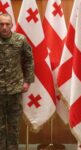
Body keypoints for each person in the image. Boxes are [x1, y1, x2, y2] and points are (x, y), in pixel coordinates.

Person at [0, 13, 34, 150]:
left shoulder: (20, 40)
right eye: (1, 24)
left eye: (7, 24)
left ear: (12, 25)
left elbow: (29, 60)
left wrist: (27, 81)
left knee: (14, 126)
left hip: (15, 90)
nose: (4, 27)